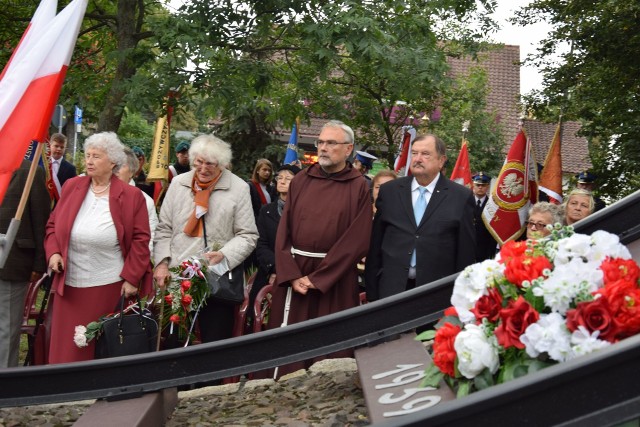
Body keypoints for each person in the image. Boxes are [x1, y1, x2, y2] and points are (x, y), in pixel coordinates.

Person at [267, 120, 372, 378]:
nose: (323, 148)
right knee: (289, 343)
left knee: (328, 345)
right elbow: (284, 231)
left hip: (333, 279)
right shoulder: (302, 179)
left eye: (331, 143)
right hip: (296, 274)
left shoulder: (358, 185)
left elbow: (357, 238)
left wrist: (319, 278)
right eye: (321, 142)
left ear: (348, 149)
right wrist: (291, 274)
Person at [44, 132, 152, 364]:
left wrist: (132, 278)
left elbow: (141, 241)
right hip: (69, 285)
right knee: (66, 350)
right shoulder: (73, 186)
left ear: (112, 162)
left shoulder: (132, 196)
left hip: (107, 285)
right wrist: (53, 252)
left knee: (99, 348)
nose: (89, 161)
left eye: (96, 156)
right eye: (87, 155)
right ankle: (65, 396)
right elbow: (52, 225)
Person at [153, 134, 258, 343]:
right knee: (174, 341)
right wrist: (162, 264)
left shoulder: (239, 188)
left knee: (214, 343)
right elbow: (164, 228)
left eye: (210, 163)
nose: (202, 168)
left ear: (222, 164)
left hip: (217, 278)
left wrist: (224, 255)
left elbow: (248, 235)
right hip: (179, 276)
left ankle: (211, 378)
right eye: (198, 162)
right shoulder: (178, 183)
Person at [365, 134, 476, 301]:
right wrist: (372, 291)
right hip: (390, 289)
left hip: (435, 293)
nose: (418, 159)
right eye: (414, 153)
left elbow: (465, 254)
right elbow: (375, 246)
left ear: (441, 160)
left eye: (425, 154)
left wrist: (459, 297)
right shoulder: (390, 192)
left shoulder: (460, 197)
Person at [0, 159, 50, 368]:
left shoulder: (29, 172)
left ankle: (5, 385)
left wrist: (40, 264)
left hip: (12, 262)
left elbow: (41, 220)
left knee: (6, 329)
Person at [248, 164, 301, 330]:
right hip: (267, 272)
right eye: (280, 177)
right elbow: (261, 244)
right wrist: (274, 269)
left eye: (288, 178)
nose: (282, 181)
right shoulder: (266, 211)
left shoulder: (303, 212)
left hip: (295, 274)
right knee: (255, 318)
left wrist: (284, 272)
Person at [116, 147, 159, 252]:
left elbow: (150, 240)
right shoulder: (97, 194)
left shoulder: (144, 201)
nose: (115, 170)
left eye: (120, 166)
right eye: (113, 165)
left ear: (131, 171)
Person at [472, 172, 498, 261]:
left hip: (484, 248)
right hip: (467, 246)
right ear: (473, 186)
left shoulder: (492, 205)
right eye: (478, 185)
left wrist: (491, 251)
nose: (480, 187)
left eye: (483, 185)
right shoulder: (466, 202)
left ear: (487, 187)